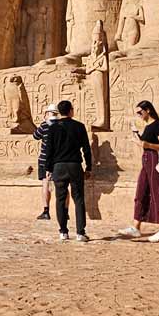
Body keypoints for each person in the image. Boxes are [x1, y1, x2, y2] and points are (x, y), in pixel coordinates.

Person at [41, 99, 93, 242]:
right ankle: (80, 232)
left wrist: (48, 168)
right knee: (78, 199)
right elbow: (86, 149)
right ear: (71, 111)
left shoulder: (53, 128)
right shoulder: (79, 126)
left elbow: (49, 150)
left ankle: (63, 231)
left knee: (60, 199)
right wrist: (89, 166)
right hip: (75, 165)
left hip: (58, 166)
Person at [123, 100, 159, 242]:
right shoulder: (148, 126)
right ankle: (136, 227)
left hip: (155, 161)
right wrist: (138, 139)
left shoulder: (157, 125)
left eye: (140, 112)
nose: (139, 115)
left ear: (148, 110)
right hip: (146, 161)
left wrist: (147, 144)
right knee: (141, 192)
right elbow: (144, 144)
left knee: (158, 194)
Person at [30, 108, 58, 220]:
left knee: (45, 184)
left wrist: (44, 121)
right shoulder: (61, 125)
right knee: (62, 185)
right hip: (58, 159)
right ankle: (64, 211)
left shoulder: (44, 125)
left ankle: (46, 211)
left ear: (47, 114)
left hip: (45, 159)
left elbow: (35, 136)